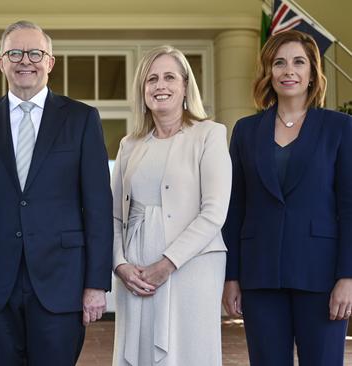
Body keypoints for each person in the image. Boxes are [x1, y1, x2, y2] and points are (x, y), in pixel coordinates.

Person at [0, 20, 113, 365]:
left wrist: (96, 284)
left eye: (35, 52)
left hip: (62, 282)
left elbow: (98, 207)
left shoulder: (83, 119)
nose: (26, 60)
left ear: (50, 62)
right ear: (2, 62)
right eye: (15, 53)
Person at [222, 29, 352, 366]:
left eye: (298, 62)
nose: (288, 70)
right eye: (279, 63)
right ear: (268, 72)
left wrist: (348, 277)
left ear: (312, 72)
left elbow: (349, 207)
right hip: (260, 274)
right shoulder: (246, 130)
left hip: (321, 277)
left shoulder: (340, 128)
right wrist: (231, 276)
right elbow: (235, 208)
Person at [111, 45, 231, 366]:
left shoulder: (210, 134)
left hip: (194, 267)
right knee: (138, 352)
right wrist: (119, 264)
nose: (160, 86)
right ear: (143, 91)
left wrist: (167, 264)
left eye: (169, 77)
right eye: (152, 79)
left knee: (189, 353)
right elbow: (113, 215)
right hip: (135, 271)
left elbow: (214, 211)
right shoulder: (129, 144)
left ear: (184, 87)